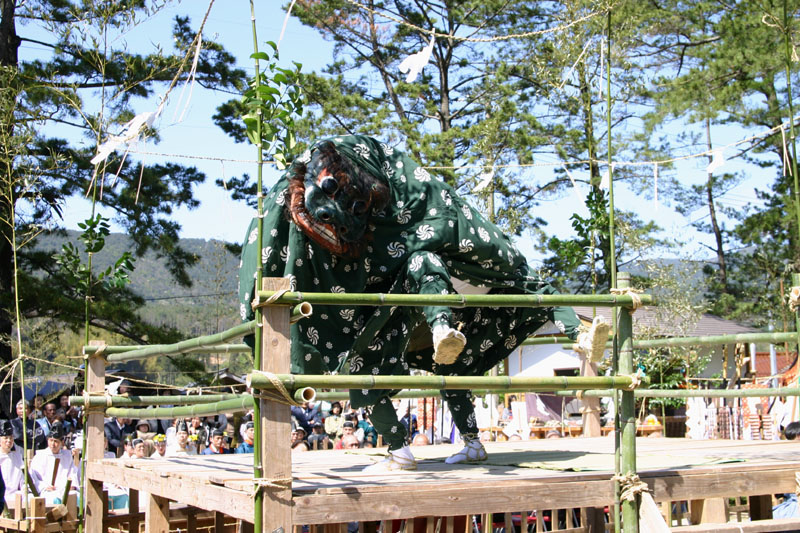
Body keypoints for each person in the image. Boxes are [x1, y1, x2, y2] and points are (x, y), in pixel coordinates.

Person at [238, 135, 609, 472]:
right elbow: (458, 237)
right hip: (429, 309)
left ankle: (401, 449)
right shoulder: (410, 233)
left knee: (369, 367)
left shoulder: (400, 218)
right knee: (453, 362)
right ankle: (564, 332)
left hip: (408, 309)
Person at [30, 422, 79, 505]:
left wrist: (72, 485)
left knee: (77, 497)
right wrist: (44, 487)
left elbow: (72, 473)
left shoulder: (67, 455)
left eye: (56, 441)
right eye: (51, 440)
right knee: (54, 498)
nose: (53, 444)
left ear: (61, 442)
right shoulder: (40, 456)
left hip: (64, 489)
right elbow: (34, 477)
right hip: (48, 491)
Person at [0, 420, 23, 507]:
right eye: (5, 438)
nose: (9, 441)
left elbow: (23, 479)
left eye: (11, 438)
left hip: (15, 494)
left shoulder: (17, 456)